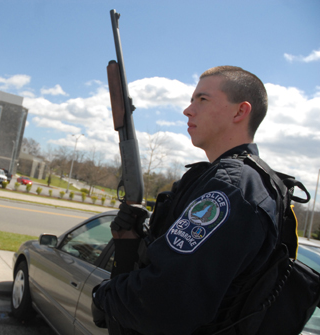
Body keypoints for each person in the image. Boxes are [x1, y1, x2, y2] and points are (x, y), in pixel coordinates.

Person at [93, 66, 278, 334]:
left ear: (240, 111)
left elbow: (165, 302)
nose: (188, 110)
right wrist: (135, 242)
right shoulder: (224, 179)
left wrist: (103, 297)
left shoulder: (229, 187)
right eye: (192, 100)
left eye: (202, 100)